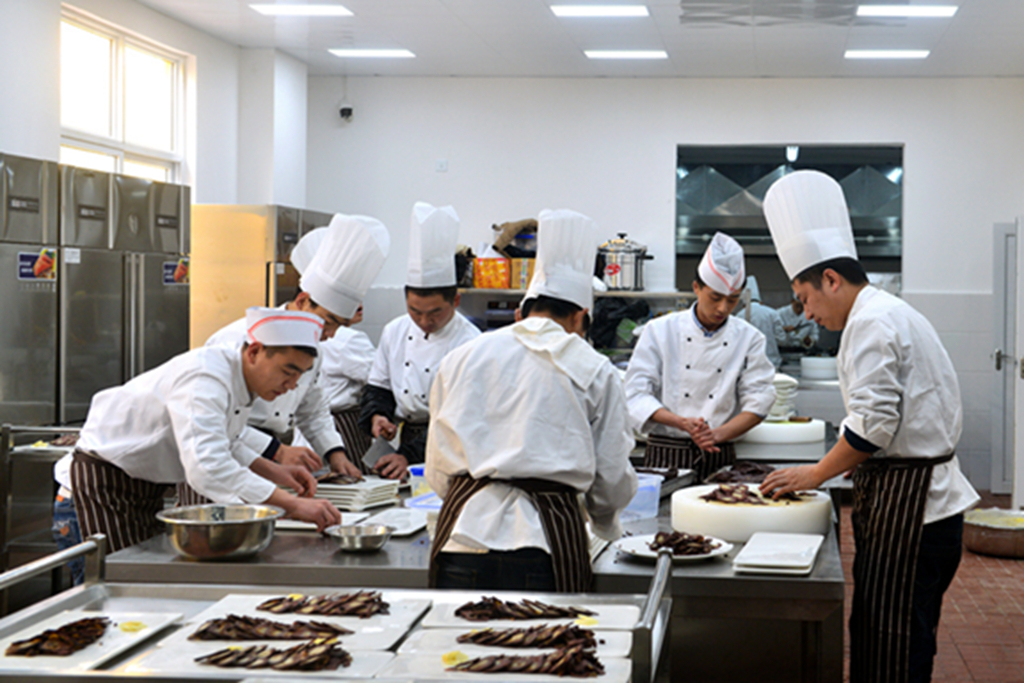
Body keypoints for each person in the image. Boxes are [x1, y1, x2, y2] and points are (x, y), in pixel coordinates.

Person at [759, 170, 979, 683]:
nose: (807, 314)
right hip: (920, 505)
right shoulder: (884, 312)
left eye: (804, 298)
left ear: (831, 279)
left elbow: (874, 427)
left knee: (893, 644)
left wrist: (815, 474)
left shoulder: (870, 323)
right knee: (894, 636)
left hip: (915, 511)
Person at [426, 208, 638, 592]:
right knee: (547, 649)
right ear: (580, 318)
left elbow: (438, 468)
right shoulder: (594, 368)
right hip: (545, 542)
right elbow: (610, 476)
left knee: (456, 647)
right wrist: (605, 523)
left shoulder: (460, 357)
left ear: (520, 311)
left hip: (461, 538)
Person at [70, 308, 343, 554]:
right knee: (124, 577)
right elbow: (207, 464)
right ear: (254, 352)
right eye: (288, 371)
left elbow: (227, 438)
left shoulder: (240, 379)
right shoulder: (205, 377)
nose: (292, 385)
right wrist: (291, 504)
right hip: (108, 474)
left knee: (145, 574)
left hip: (144, 479)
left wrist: (273, 470)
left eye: (300, 376)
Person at [202, 214, 389, 490]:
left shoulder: (314, 350)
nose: (331, 334)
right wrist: (276, 451)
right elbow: (214, 422)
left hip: (271, 456)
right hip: (219, 458)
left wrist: (335, 454)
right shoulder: (236, 340)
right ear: (303, 301)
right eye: (329, 321)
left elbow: (313, 409)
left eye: (340, 325)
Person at [623, 232, 776, 481]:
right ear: (696, 287)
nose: (723, 308)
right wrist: (681, 422)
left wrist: (716, 434)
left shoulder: (750, 338)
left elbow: (759, 401)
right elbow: (635, 394)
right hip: (665, 452)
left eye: (733, 300)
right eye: (715, 297)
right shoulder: (660, 330)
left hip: (719, 451)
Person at [359, 202, 480, 481]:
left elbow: (459, 418)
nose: (424, 321)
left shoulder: (471, 343)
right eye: (415, 311)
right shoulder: (394, 331)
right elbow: (379, 387)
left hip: (451, 447)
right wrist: (379, 416)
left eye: (435, 312)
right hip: (405, 443)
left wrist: (411, 456)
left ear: (456, 301)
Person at [735, 275, 785, 369]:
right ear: (761, 301)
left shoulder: (739, 316)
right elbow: (781, 339)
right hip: (772, 363)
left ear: (743, 304)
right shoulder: (772, 313)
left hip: (748, 365)